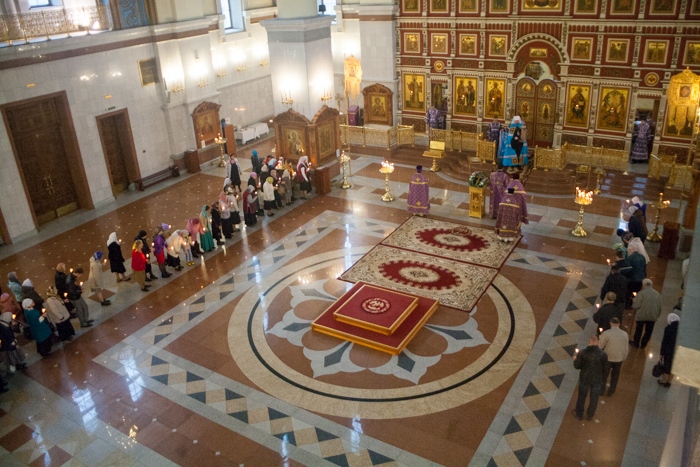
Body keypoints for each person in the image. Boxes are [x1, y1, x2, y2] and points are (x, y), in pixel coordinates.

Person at [572, 335, 609, 420]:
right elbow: (606, 368)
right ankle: (590, 415)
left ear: (589, 342)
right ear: (597, 343)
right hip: (597, 379)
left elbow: (577, 366)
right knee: (594, 398)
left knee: (581, 396)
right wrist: (603, 379)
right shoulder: (603, 354)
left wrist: (575, 359)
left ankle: (579, 414)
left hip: (585, 378)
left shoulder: (583, 352)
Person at [599, 317, 629, 397]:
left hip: (608, 357)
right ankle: (611, 391)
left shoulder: (606, 333)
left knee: (604, 375)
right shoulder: (625, 334)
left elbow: (600, 346)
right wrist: (624, 357)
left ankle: (601, 390)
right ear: (619, 324)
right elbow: (626, 347)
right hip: (619, 358)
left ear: (610, 323)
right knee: (615, 376)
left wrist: (600, 338)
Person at [631, 278, 662, 348]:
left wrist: (634, 301)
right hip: (653, 316)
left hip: (641, 315)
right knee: (648, 331)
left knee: (638, 330)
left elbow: (637, 305)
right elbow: (660, 306)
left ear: (643, 285)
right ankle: (644, 344)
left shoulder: (641, 293)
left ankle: (636, 343)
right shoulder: (657, 294)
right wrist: (657, 315)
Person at [658, 313, 680, 387]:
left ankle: (664, 381)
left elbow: (664, 341)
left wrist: (662, 352)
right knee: (673, 367)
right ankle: (669, 381)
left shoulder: (668, 328)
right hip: (677, 351)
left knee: (667, 366)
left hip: (668, 350)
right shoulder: (680, 329)